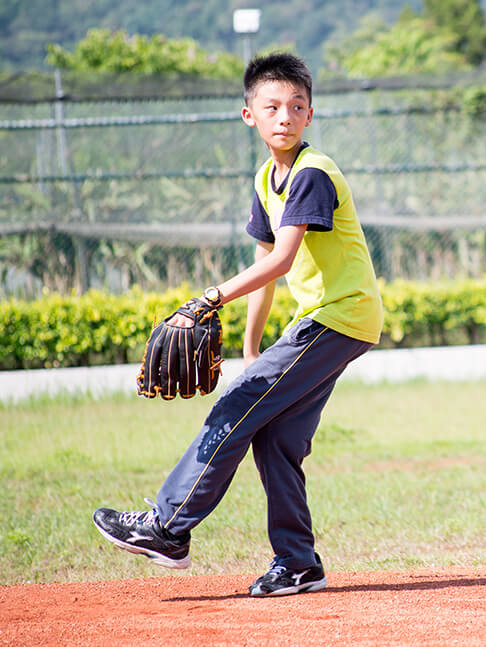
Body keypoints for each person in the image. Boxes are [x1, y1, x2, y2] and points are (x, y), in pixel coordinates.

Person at [92, 53, 384, 596]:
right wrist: (252, 346)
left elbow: (278, 261)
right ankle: (299, 563)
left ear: (311, 115)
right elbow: (267, 262)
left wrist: (209, 298)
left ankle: (167, 526)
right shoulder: (267, 177)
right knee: (273, 437)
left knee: (233, 410)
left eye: (297, 107)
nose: (285, 117)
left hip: (337, 317)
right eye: (272, 106)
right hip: (333, 320)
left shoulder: (312, 174)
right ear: (248, 115)